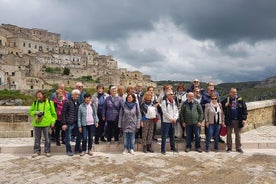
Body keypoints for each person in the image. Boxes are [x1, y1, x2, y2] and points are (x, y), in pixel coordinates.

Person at [29, 90, 57, 158]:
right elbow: (30, 111)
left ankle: (47, 151)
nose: (38, 96)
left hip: (47, 123)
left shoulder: (50, 103)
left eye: (39, 94)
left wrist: (53, 122)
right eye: (37, 95)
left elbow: (54, 114)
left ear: (43, 95)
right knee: (37, 139)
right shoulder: (35, 103)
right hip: (37, 123)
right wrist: (36, 112)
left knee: (47, 139)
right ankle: (36, 151)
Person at [221, 88, 247, 153]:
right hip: (229, 120)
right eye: (232, 92)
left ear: (236, 92)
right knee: (229, 134)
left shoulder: (240, 100)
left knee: (237, 135)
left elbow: (245, 109)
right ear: (230, 93)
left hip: (238, 120)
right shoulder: (227, 100)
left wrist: (244, 119)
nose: (233, 94)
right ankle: (229, 148)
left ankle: (238, 148)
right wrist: (225, 105)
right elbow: (221, 105)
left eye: (235, 92)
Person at [62, 89, 81, 156]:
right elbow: (63, 113)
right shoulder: (67, 102)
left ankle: (77, 148)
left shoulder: (78, 103)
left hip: (76, 123)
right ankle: (69, 150)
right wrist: (64, 123)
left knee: (79, 136)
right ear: (72, 95)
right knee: (68, 138)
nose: (77, 96)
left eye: (78, 95)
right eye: (76, 94)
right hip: (69, 123)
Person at [160, 90, 179, 155]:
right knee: (164, 136)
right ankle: (163, 149)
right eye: (170, 94)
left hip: (173, 121)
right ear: (167, 95)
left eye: (172, 94)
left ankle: (173, 147)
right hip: (166, 122)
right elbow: (164, 112)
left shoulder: (174, 102)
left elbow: (177, 111)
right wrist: (171, 119)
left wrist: (175, 118)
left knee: (172, 135)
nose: (172, 95)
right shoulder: (164, 102)